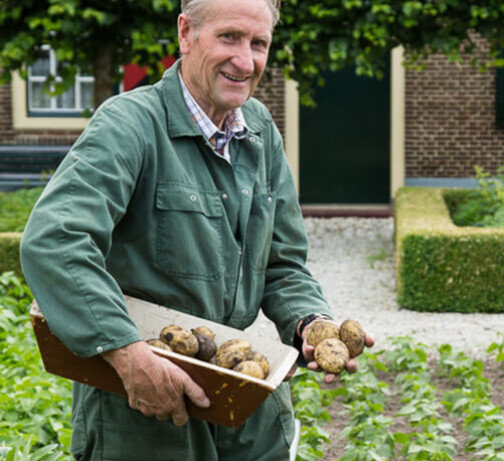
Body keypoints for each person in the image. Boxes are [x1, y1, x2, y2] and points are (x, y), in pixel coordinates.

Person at [19, 0, 373, 459]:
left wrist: (310, 321)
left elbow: (283, 263)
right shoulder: (130, 125)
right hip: (145, 410)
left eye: (258, 43)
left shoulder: (260, 132)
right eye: (229, 37)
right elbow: (56, 241)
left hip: (248, 408)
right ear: (186, 34)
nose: (245, 61)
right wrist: (127, 354)